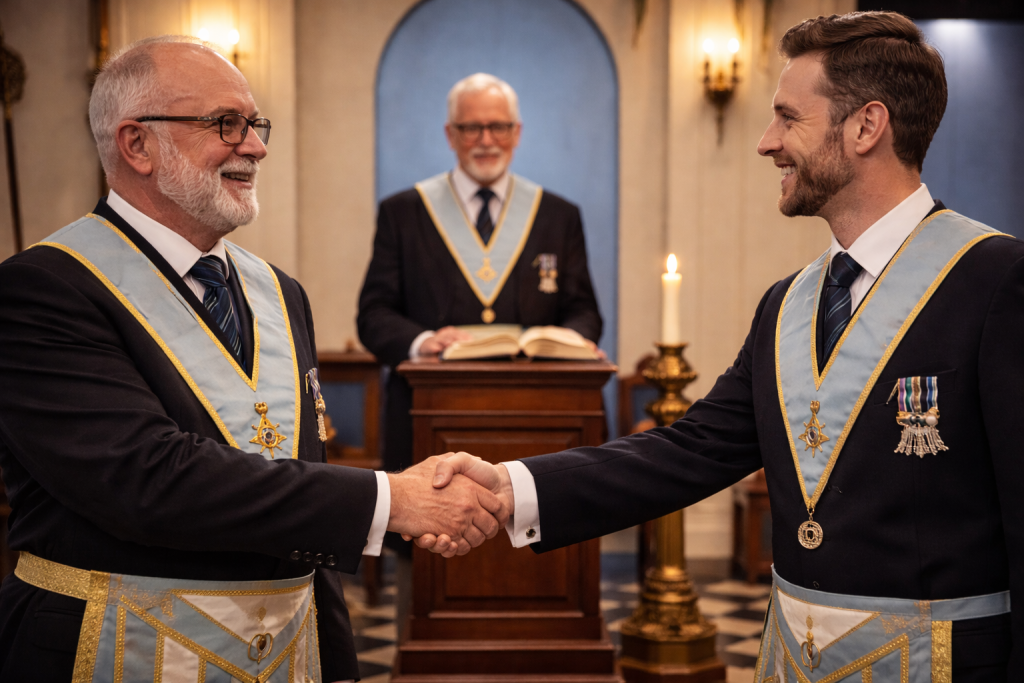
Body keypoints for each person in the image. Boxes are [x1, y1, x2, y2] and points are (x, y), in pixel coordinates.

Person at [421, 12, 1023, 681]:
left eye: (787, 118)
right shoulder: (786, 303)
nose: (768, 143)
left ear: (865, 126)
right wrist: (510, 488)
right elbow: (689, 449)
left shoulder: (997, 281)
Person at [0, 36, 506, 682]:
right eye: (225, 124)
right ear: (137, 144)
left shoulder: (279, 291)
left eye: (255, 124)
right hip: (111, 647)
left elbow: (296, 487)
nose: (257, 147)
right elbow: (148, 479)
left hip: (286, 654)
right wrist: (391, 499)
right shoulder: (41, 288)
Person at [357, 72, 603, 478]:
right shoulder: (404, 212)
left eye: (499, 126)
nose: (486, 140)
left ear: (517, 132)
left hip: (538, 413)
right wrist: (423, 342)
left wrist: (569, 341)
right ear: (450, 134)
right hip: (429, 413)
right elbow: (374, 314)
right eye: (472, 128)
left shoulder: (559, 216)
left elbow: (585, 312)